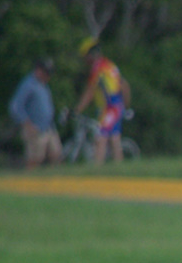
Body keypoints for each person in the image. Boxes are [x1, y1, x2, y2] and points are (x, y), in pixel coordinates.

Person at [72, 38, 131, 166]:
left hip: (110, 107)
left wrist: (77, 110)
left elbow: (90, 92)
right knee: (114, 138)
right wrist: (125, 106)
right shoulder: (109, 65)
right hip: (116, 105)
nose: (85, 60)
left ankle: (97, 169)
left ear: (89, 55)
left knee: (101, 137)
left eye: (85, 56)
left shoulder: (98, 68)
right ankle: (119, 169)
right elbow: (125, 85)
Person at [8, 59, 61, 169]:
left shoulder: (44, 85)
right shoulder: (28, 84)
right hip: (35, 128)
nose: (48, 76)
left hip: (49, 127)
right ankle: (29, 178)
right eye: (46, 73)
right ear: (38, 71)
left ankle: (55, 178)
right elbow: (15, 106)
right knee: (35, 159)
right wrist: (26, 123)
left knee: (56, 154)